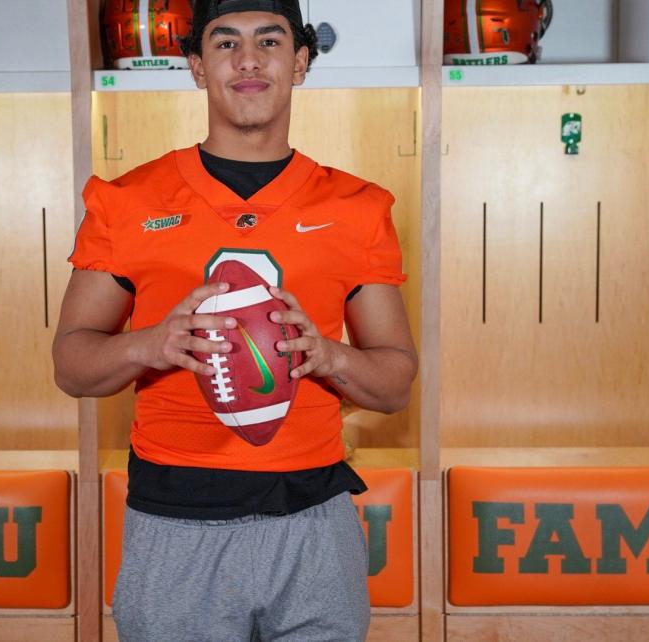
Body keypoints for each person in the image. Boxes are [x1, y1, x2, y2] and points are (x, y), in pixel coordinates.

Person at [52, 1, 417, 639]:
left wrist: (328, 355)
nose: (248, 61)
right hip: (174, 521)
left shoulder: (357, 208)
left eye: (270, 41)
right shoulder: (129, 201)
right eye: (225, 44)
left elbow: (394, 384)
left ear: (300, 63)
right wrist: (151, 343)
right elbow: (72, 366)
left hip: (313, 519)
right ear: (196, 66)